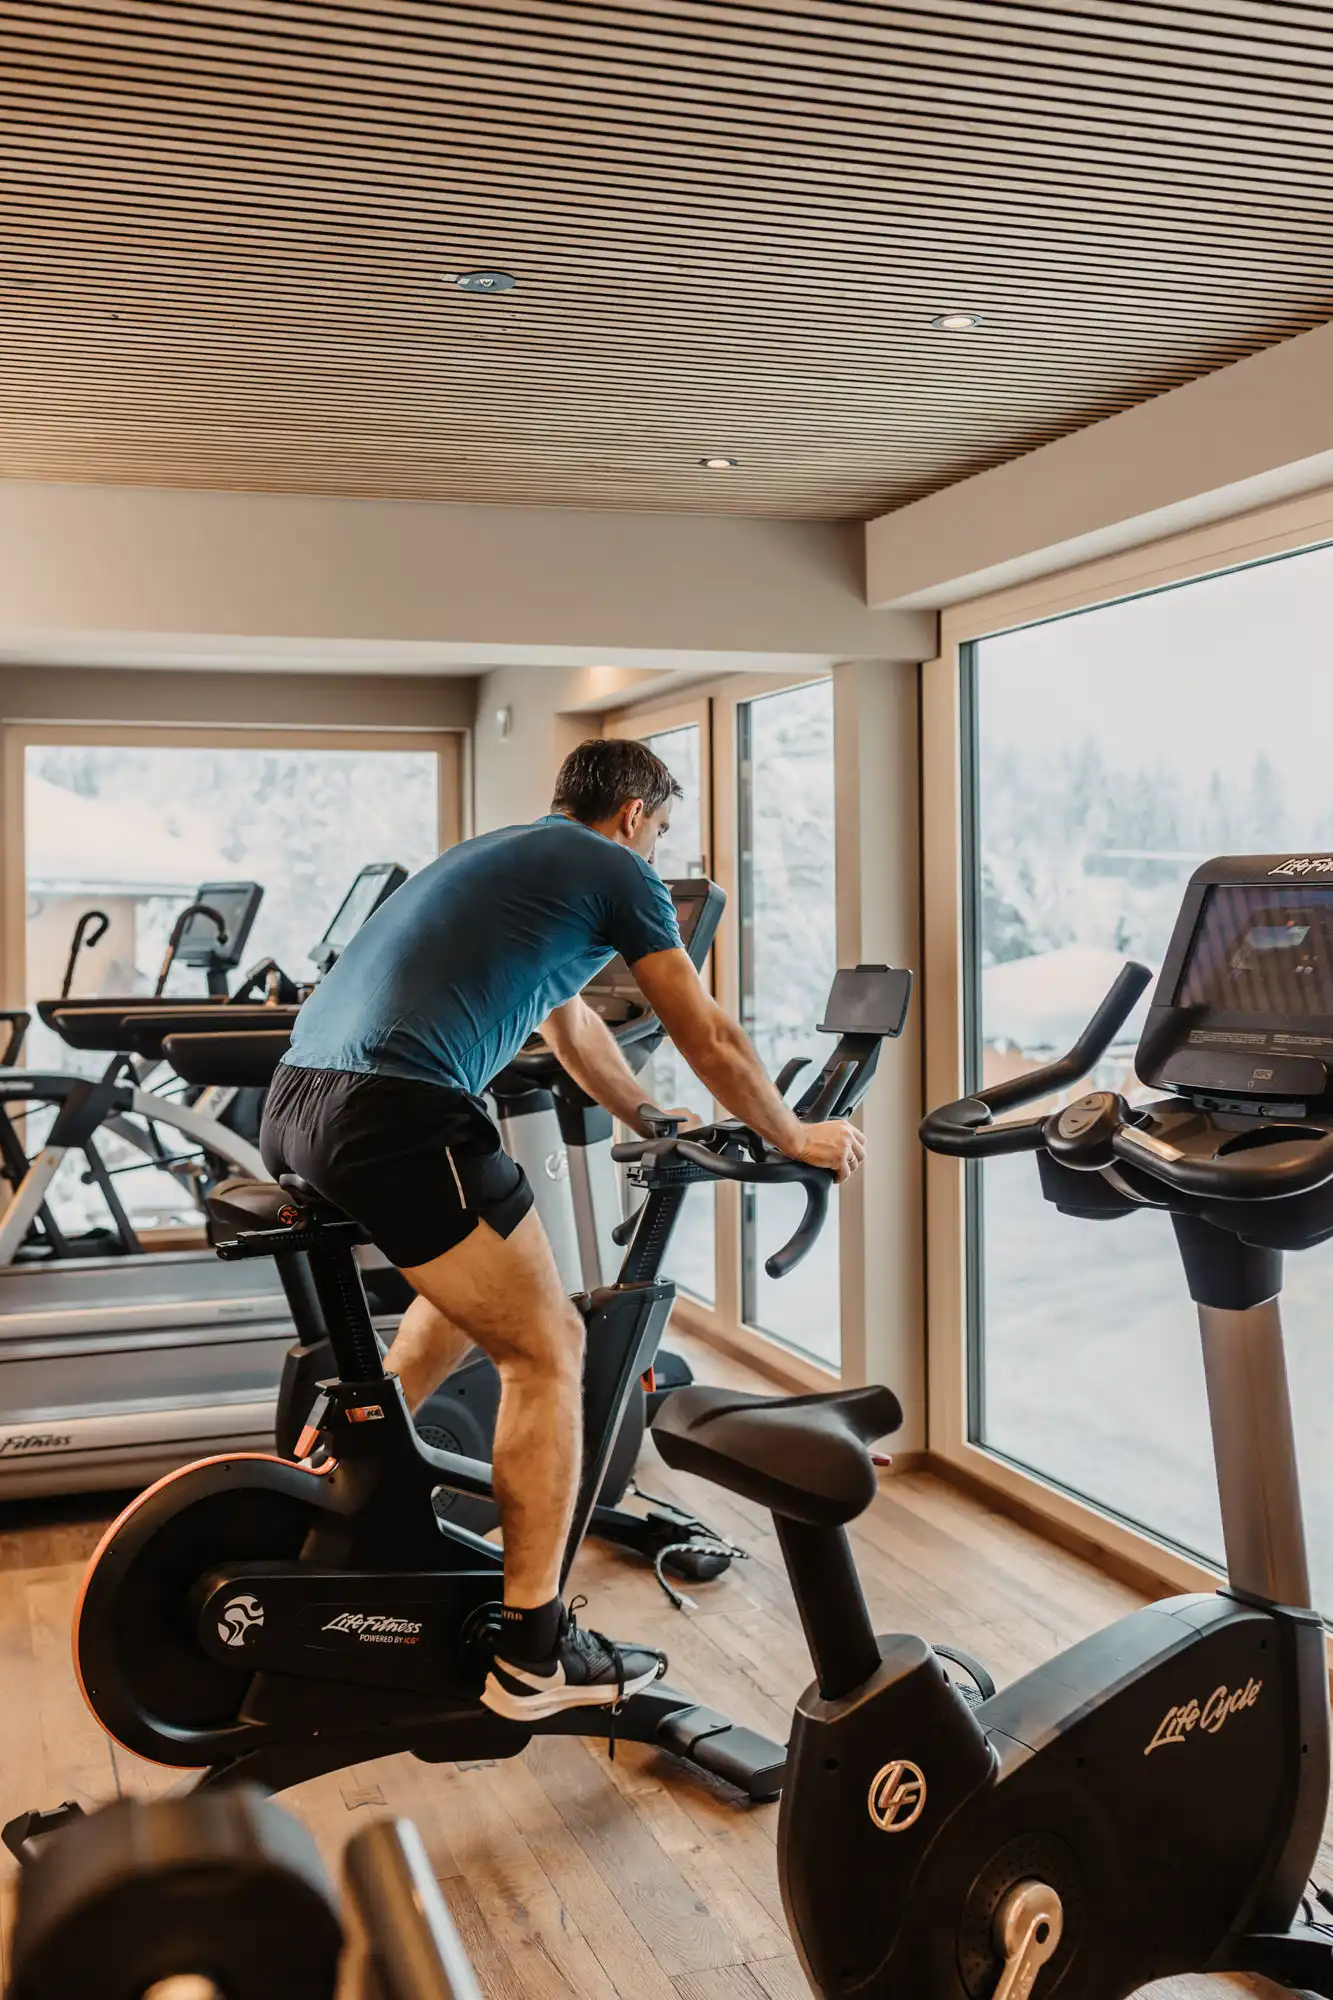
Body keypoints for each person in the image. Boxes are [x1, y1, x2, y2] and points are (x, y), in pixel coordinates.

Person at [261, 739, 865, 1721]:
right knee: (549, 1348)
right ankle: (533, 1651)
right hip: (398, 1111)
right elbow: (707, 1031)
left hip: (296, 1100)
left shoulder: (503, 853)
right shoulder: (616, 868)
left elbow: (569, 1021)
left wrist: (646, 1117)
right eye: (661, 831)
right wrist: (795, 1132)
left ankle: (329, 1497)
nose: (657, 849)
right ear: (633, 815)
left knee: (462, 1300)